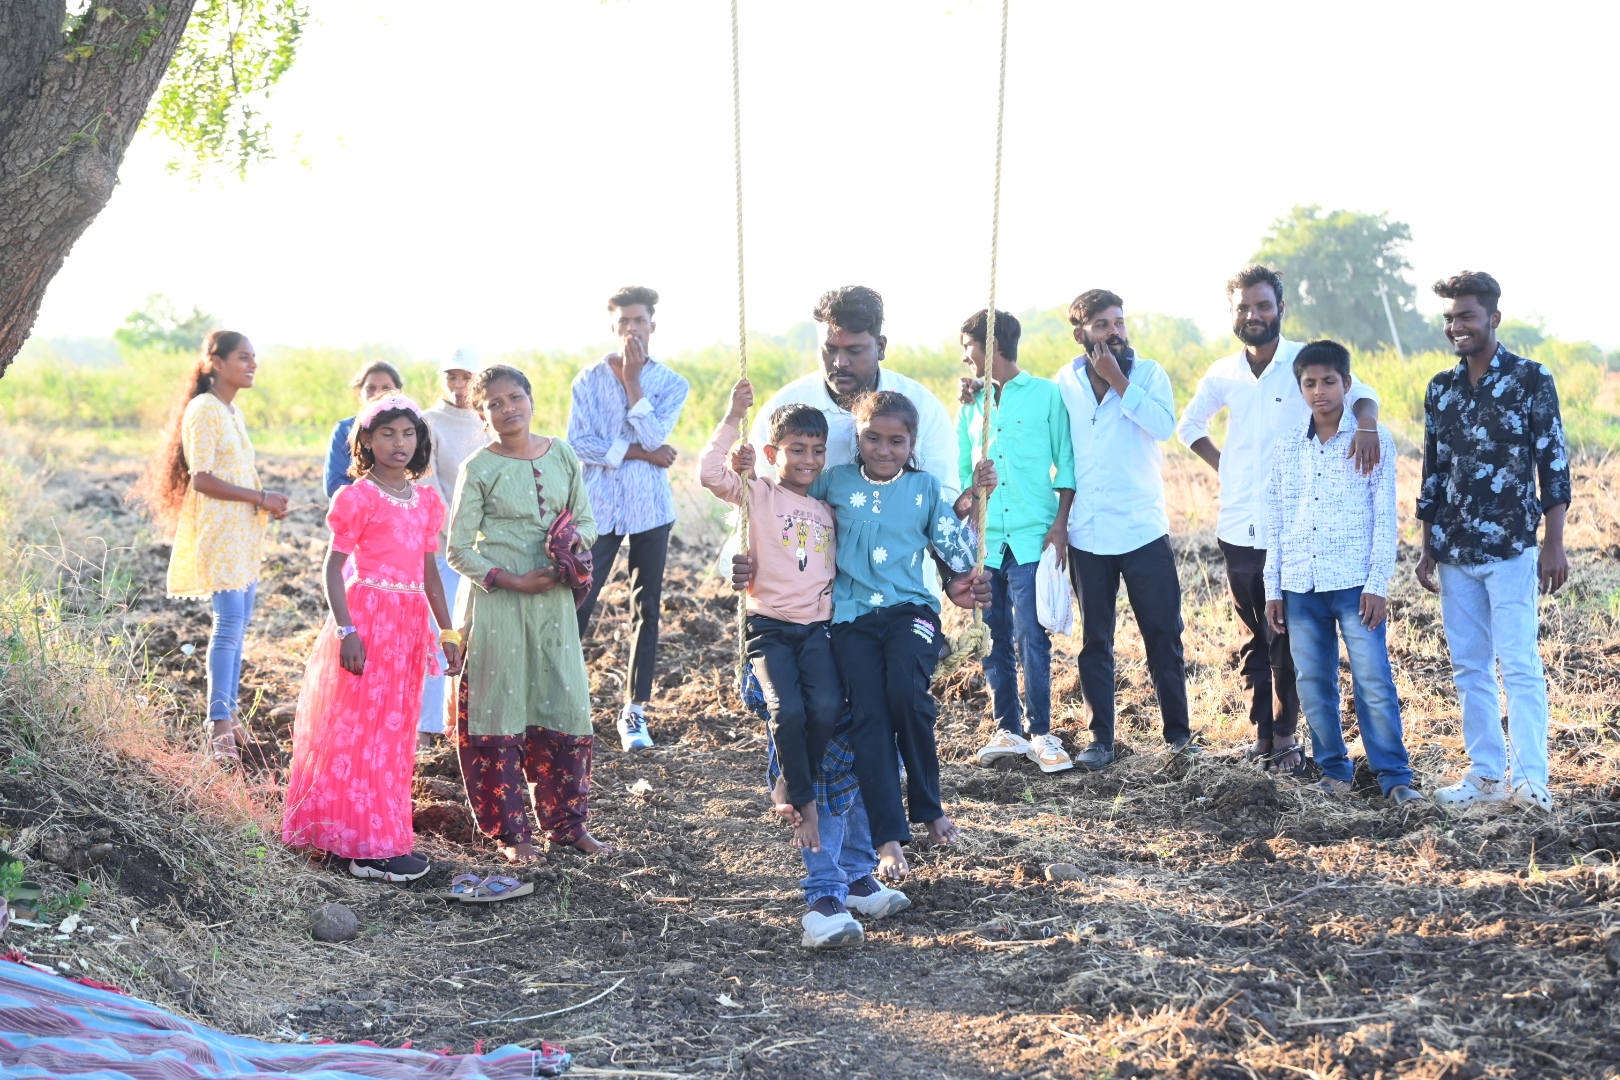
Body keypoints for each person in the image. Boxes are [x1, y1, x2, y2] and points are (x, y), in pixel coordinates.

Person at [1177, 265, 1384, 774]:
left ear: (1280, 309)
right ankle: (1262, 735)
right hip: (1239, 524)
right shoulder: (1222, 372)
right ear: (1232, 313)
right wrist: (1226, 465)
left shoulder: (1304, 364)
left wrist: (1368, 426)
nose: (1254, 315)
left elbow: (1362, 393)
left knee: (1288, 639)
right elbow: (1188, 425)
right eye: (1244, 307)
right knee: (1255, 635)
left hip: (1297, 528)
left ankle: (1290, 736)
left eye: (1263, 305)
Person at [803, 391, 988, 880]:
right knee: (869, 714)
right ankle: (888, 838)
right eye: (873, 438)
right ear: (857, 437)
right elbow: (791, 517)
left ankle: (928, 806)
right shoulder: (832, 483)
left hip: (913, 613)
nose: (884, 450)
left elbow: (957, 556)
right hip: (850, 619)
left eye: (896, 441)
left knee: (905, 694)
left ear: (912, 443)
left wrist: (970, 504)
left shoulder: (925, 489)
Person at [282, 395, 464, 881]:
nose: (399, 443)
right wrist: (347, 630)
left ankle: (367, 840)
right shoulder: (357, 497)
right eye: (387, 434)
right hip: (366, 620)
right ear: (366, 441)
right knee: (358, 731)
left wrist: (447, 631)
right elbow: (334, 567)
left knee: (394, 734)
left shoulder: (425, 500)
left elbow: (430, 573)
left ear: (420, 440)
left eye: (408, 433)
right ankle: (362, 848)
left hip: (408, 625)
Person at [1417, 272, 1571, 813]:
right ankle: (1485, 778)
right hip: (1455, 551)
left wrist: (1554, 543)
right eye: (1450, 318)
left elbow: (1553, 464)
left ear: (1493, 319)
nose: (1456, 326)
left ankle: (1532, 782)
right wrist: (1426, 541)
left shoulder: (1531, 380)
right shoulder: (1441, 388)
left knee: (1520, 662)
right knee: (1470, 668)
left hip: (1512, 547)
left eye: (1466, 316)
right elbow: (1432, 469)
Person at [451, 365, 612, 862]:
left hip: (553, 602)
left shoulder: (561, 453)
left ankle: (568, 826)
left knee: (561, 701)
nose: (508, 409)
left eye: (515, 397)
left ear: (531, 399)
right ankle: (513, 836)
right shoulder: (478, 467)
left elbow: (586, 519)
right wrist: (512, 578)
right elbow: (458, 549)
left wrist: (566, 552)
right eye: (495, 403)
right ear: (482, 414)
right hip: (500, 603)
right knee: (498, 708)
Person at [1262, 341, 1423, 805]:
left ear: (1347, 385)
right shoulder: (1289, 445)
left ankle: (1394, 777)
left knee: (1373, 679)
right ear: (1300, 388)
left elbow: (1384, 517)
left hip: (1355, 584)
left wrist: (1377, 584)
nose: (1319, 391)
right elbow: (1278, 517)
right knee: (1314, 682)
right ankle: (1334, 770)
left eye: (1328, 381)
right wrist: (1274, 588)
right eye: (1309, 383)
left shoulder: (1372, 438)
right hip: (1300, 584)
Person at [130, 330, 290, 764]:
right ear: (215, 362)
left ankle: (231, 716)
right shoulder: (203, 410)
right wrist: (260, 498)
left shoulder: (231, 411)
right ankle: (218, 725)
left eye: (254, 357)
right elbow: (202, 478)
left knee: (239, 629)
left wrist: (265, 501)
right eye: (243, 357)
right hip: (219, 535)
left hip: (242, 534)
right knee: (228, 626)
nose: (252, 364)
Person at [1054, 290, 1195, 770]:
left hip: (1141, 527)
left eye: (1118, 322)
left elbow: (1163, 426)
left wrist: (1119, 382)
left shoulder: (1150, 373)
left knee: (1162, 633)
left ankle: (1178, 737)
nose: (1114, 331)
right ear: (1081, 335)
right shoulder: (1065, 381)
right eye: (1101, 325)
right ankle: (1100, 742)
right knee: (1096, 639)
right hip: (1088, 532)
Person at [699, 384, 841, 852]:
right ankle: (805, 803)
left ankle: (787, 777)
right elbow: (708, 473)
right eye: (797, 449)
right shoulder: (758, 494)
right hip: (769, 628)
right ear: (770, 453)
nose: (809, 459)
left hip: (816, 628)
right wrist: (733, 413)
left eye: (817, 450)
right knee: (787, 709)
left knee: (825, 708)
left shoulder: (825, 511)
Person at [955, 309, 1077, 773]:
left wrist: (1060, 525)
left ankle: (1042, 733)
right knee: (993, 636)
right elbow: (961, 474)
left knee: (1032, 635)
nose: (965, 359)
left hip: (1032, 535)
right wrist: (974, 482)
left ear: (991, 346)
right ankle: (1007, 727)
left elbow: (1065, 464)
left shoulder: (1047, 395)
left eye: (969, 348)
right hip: (987, 540)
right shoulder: (971, 404)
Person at [569, 286, 690, 752]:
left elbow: (661, 433)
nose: (631, 330)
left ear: (652, 325)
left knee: (648, 606)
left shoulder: (672, 383)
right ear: (613, 326)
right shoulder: (587, 380)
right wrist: (641, 452)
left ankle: (633, 712)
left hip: (650, 510)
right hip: (596, 508)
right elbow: (580, 442)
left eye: (639, 321)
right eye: (623, 322)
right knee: (579, 599)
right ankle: (563, 702)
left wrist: (635, 382)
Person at [742, 669, 910, 950]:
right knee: (819, 778)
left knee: (863, 765)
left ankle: (855, 874)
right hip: (805, 679)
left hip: (852, 669)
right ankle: (824, 896)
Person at [747, 286, 960, 501]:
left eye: (854, 350)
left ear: (881, 347)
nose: (840, 362)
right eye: (829, 350)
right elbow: (760, 496)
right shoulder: (783, 407)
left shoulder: (923, 407)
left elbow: (945, 496)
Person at [419, 348, 487, 748]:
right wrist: (457, 538)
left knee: (478, 636)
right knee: (439, 635)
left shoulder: (487, 420)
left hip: (485, 549)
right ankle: (427, 728)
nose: (459, 386)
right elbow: (429, 485)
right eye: (452, 377)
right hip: (445, 547)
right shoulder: (428, 422)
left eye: (467, 377)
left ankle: (465, 724)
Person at [324, 361, 405, 499]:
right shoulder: (344, 431)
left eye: (386, 388)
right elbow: (333, 484)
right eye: (370, 388)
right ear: (359, 392)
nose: (377, 394)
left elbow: (414, 476)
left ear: (397, 392)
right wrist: (379, 497)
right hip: (356, 513)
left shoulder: (407, 431)